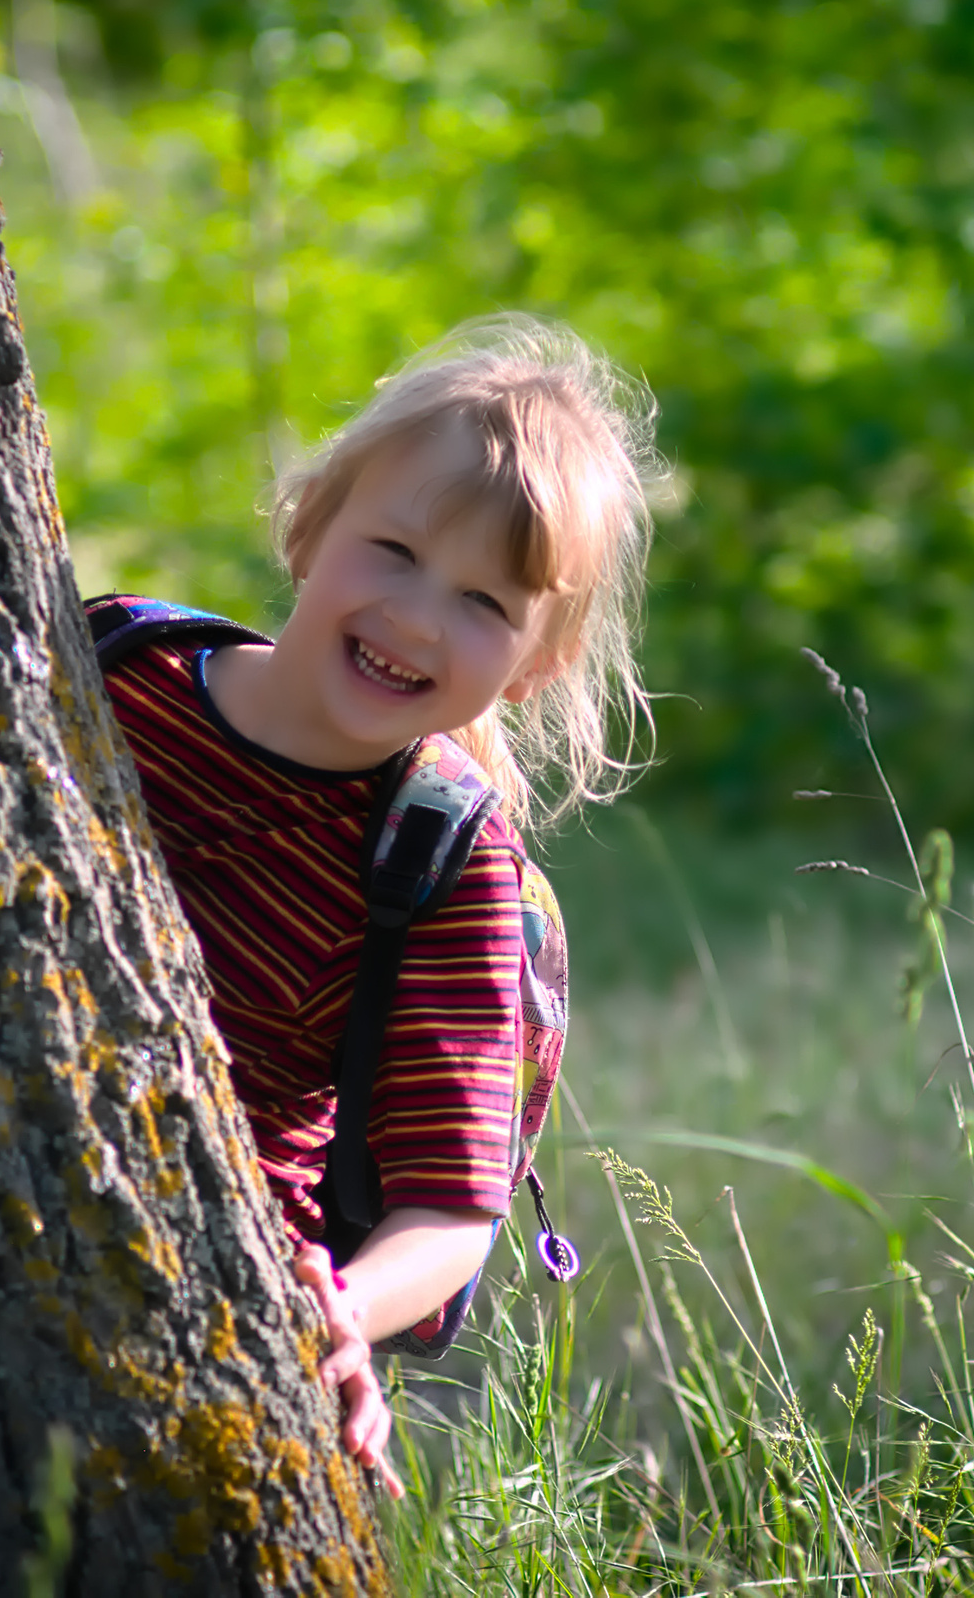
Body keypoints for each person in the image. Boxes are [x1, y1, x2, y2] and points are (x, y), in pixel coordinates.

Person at [99, 316, 658, 1491]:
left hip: (194, 1277)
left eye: (484, 604)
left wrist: (334, 1319)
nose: (416, 617)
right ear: (309, 529)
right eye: (393, 551)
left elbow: (452, 1213)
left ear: (536, 663)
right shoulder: (113, 668)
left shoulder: (445, 871)